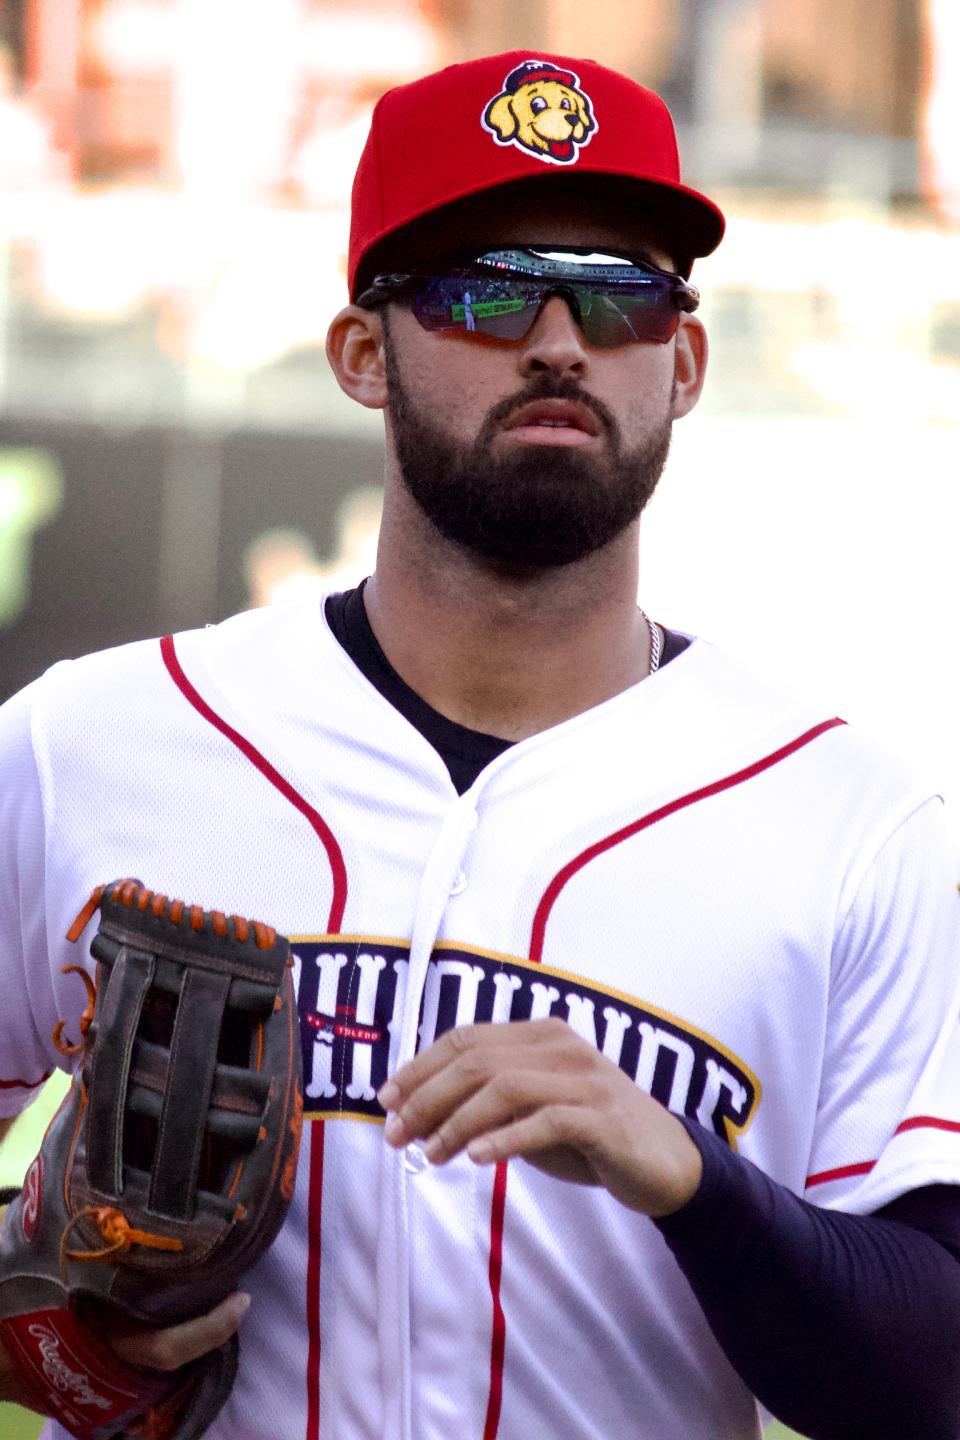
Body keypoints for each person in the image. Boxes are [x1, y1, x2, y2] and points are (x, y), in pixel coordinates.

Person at [2, 50, 960, 1440]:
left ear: (683, 363)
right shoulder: (92, 744)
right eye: (487, 287)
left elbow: (932, 1379)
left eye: (622, 295)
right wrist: (28, 1330)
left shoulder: (854, 827)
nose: (559, 340)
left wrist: (693, 1176)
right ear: (360, 351)